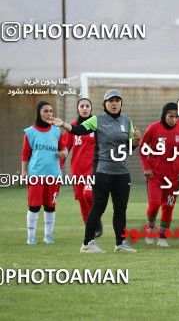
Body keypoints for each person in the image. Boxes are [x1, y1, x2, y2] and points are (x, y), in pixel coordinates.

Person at [52, 89, 141, 253]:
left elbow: (127, 149)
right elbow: (79, 130)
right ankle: (87, 244)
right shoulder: (96, 120)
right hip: (102, 172)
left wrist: (135, 140)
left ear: (121, 103)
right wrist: (64, 124)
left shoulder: (127, 121)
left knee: (120, 209)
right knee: (98, 207)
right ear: (105, 104)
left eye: (117, 100)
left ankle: (120, 243)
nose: (114, 103)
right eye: (110, 100)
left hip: (122, 172)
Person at [139, 102, 179, 247]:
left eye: (176, 117)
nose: (174, 119)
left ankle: (162, 237)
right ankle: (150, 227)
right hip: (155, 176)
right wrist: (146, 167)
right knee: (154, 205)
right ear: (164, 115)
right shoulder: (153, 128)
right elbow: (142, 148)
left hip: (173, 178)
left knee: (168, 207)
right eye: (170, 116)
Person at [21, 101, 67, 245]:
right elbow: (25, 153)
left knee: (50, 206)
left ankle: (48, 236)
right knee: (34, 206)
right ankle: (31, 237)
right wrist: (23, 172)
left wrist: (63, 153)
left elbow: (64, 148)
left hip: (53, 175)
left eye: (50, 111)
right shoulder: (30, 132)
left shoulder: (56, 131)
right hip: (36, 175)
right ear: (38, 113)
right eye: (45, 111)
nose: (48, 114)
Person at [63, 98, 102, 237]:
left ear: (91, 108)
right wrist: (59, 166)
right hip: (77, 170)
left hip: (93, 169)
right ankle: (90, 229)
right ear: (78, 109)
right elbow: (65, 148)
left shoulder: (97, 126)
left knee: (88, 194)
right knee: (81, 200)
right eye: (82, 106)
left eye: (87, 106)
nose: (85, 108)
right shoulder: (72, 127)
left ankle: (97, 222)